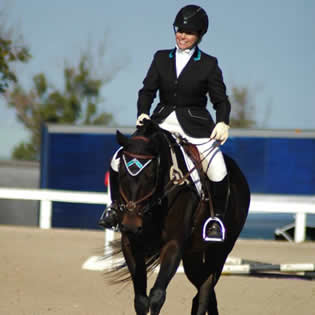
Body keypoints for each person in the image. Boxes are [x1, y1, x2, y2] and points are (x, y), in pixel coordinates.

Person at [99, 5, 231, 242]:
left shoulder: (209, 64)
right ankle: (114, 207)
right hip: (161, 123)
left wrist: (223, 122)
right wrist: (142, 112)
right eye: (179, 30)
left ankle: (216, 219)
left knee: (218, 168)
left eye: (188, 32)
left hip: (196, 127)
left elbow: (220, 100)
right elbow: (147, 90)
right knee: (118, 158)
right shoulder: (161, 57)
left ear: (199, 35)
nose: (182, 35)